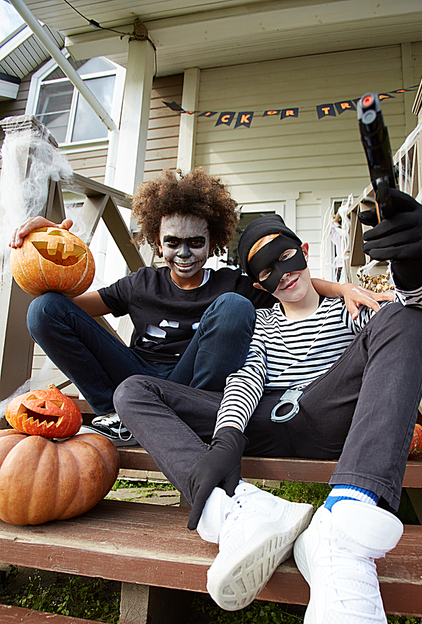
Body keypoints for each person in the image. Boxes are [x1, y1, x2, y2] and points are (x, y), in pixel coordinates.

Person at [113, 188, 422, 624]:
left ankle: (346, 519)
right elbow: (247, 377)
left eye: (285, 257)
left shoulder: (347, 307)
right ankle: (235, 509)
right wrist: (227, 439)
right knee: (133, 391)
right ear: (255, 279)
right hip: (267, 421)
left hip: (329, 415)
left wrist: (416, 268)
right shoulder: (262, 324)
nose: (281, 274)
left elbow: (413, 312)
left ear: (303, 250)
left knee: (407, 319)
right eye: (264, 269)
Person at [10, 167, 388, 445]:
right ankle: (115, 414)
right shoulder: (140, 284)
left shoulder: (231, 284)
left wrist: (341, 289)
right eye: (173, 242)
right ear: (158, 243)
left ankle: (193, 418)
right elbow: (65, 310)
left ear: (212, 244)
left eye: (195, 242)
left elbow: (288, 284)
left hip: (194, 387)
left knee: (234, 306)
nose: (185, 253)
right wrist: (48, 248)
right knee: (42, 310)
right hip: (137, 377)